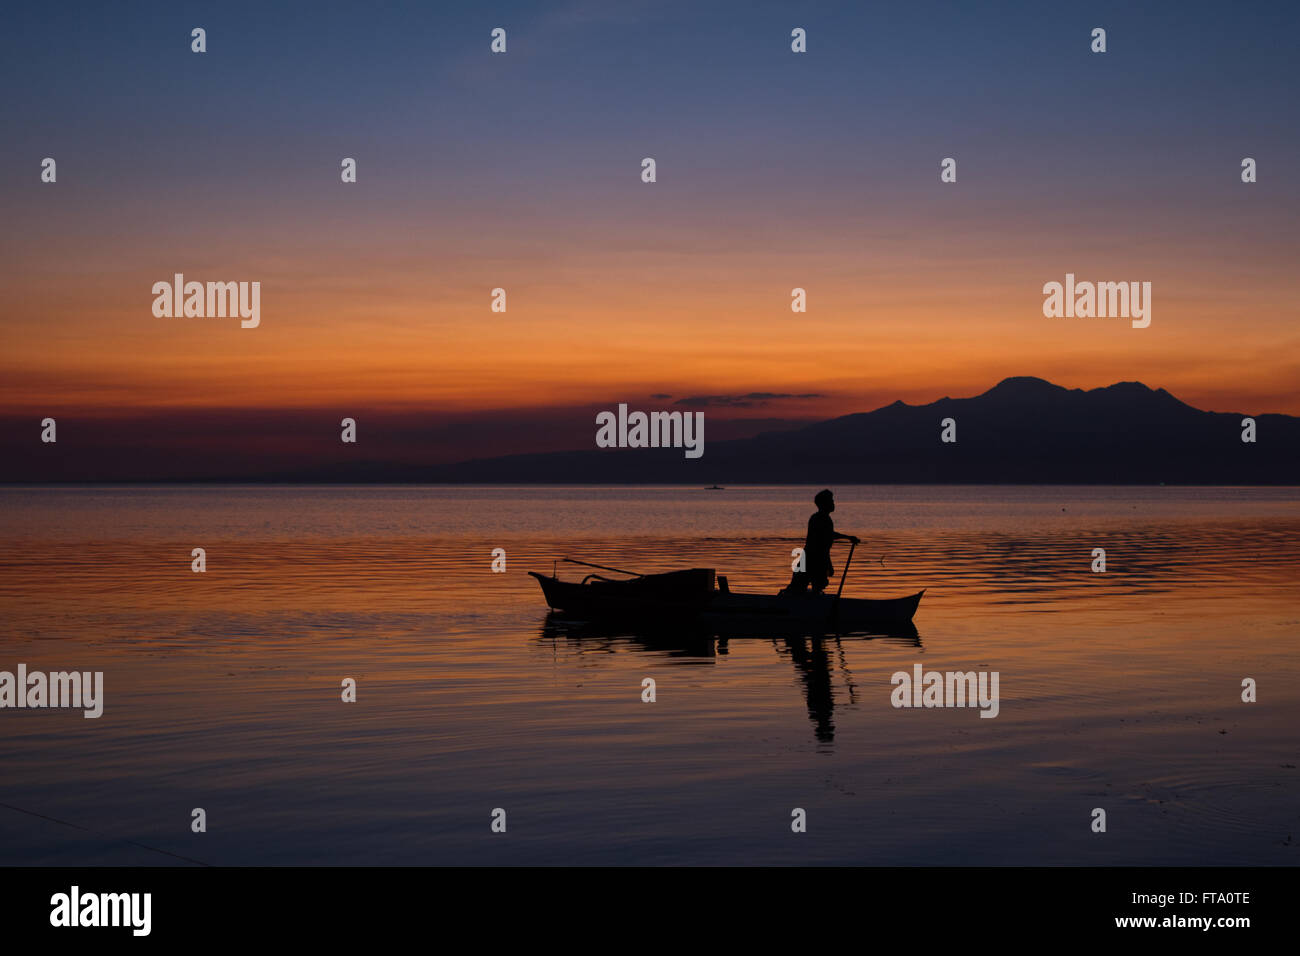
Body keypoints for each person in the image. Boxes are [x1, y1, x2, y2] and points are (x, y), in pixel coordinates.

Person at [784, 489, 859, 595]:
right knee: (801, 587)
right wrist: (828, 563)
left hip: (814, 558)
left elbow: (828, 536)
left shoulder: (823, 518)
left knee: (812, 586)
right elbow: (823, 539)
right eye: (831, 501)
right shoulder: (819, 518)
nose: (833, 503)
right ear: (824, 504)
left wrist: (848, 538)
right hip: (813, 559)